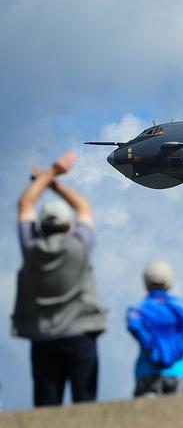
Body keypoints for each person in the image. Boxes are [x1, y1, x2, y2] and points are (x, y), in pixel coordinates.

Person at [11, 151, 107, 407]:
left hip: (43, 337)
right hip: (81, 335)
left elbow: (25, 205)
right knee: (85, 407)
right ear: (69, 226)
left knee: (46, 409)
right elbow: (83, 207)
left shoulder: (31, 249)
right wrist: (55, 179)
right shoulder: (80, 246)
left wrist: (48, 175)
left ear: (40, 227)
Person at [126, 261, 183, 397]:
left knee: (146, 416)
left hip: (147, 371)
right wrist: (181, 344)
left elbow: (133, 324)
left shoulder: (138, 310)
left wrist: (150, 346)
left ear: (145, 283)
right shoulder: (181, 307)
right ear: (170, 282)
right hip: (177, 370)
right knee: (179, 416)